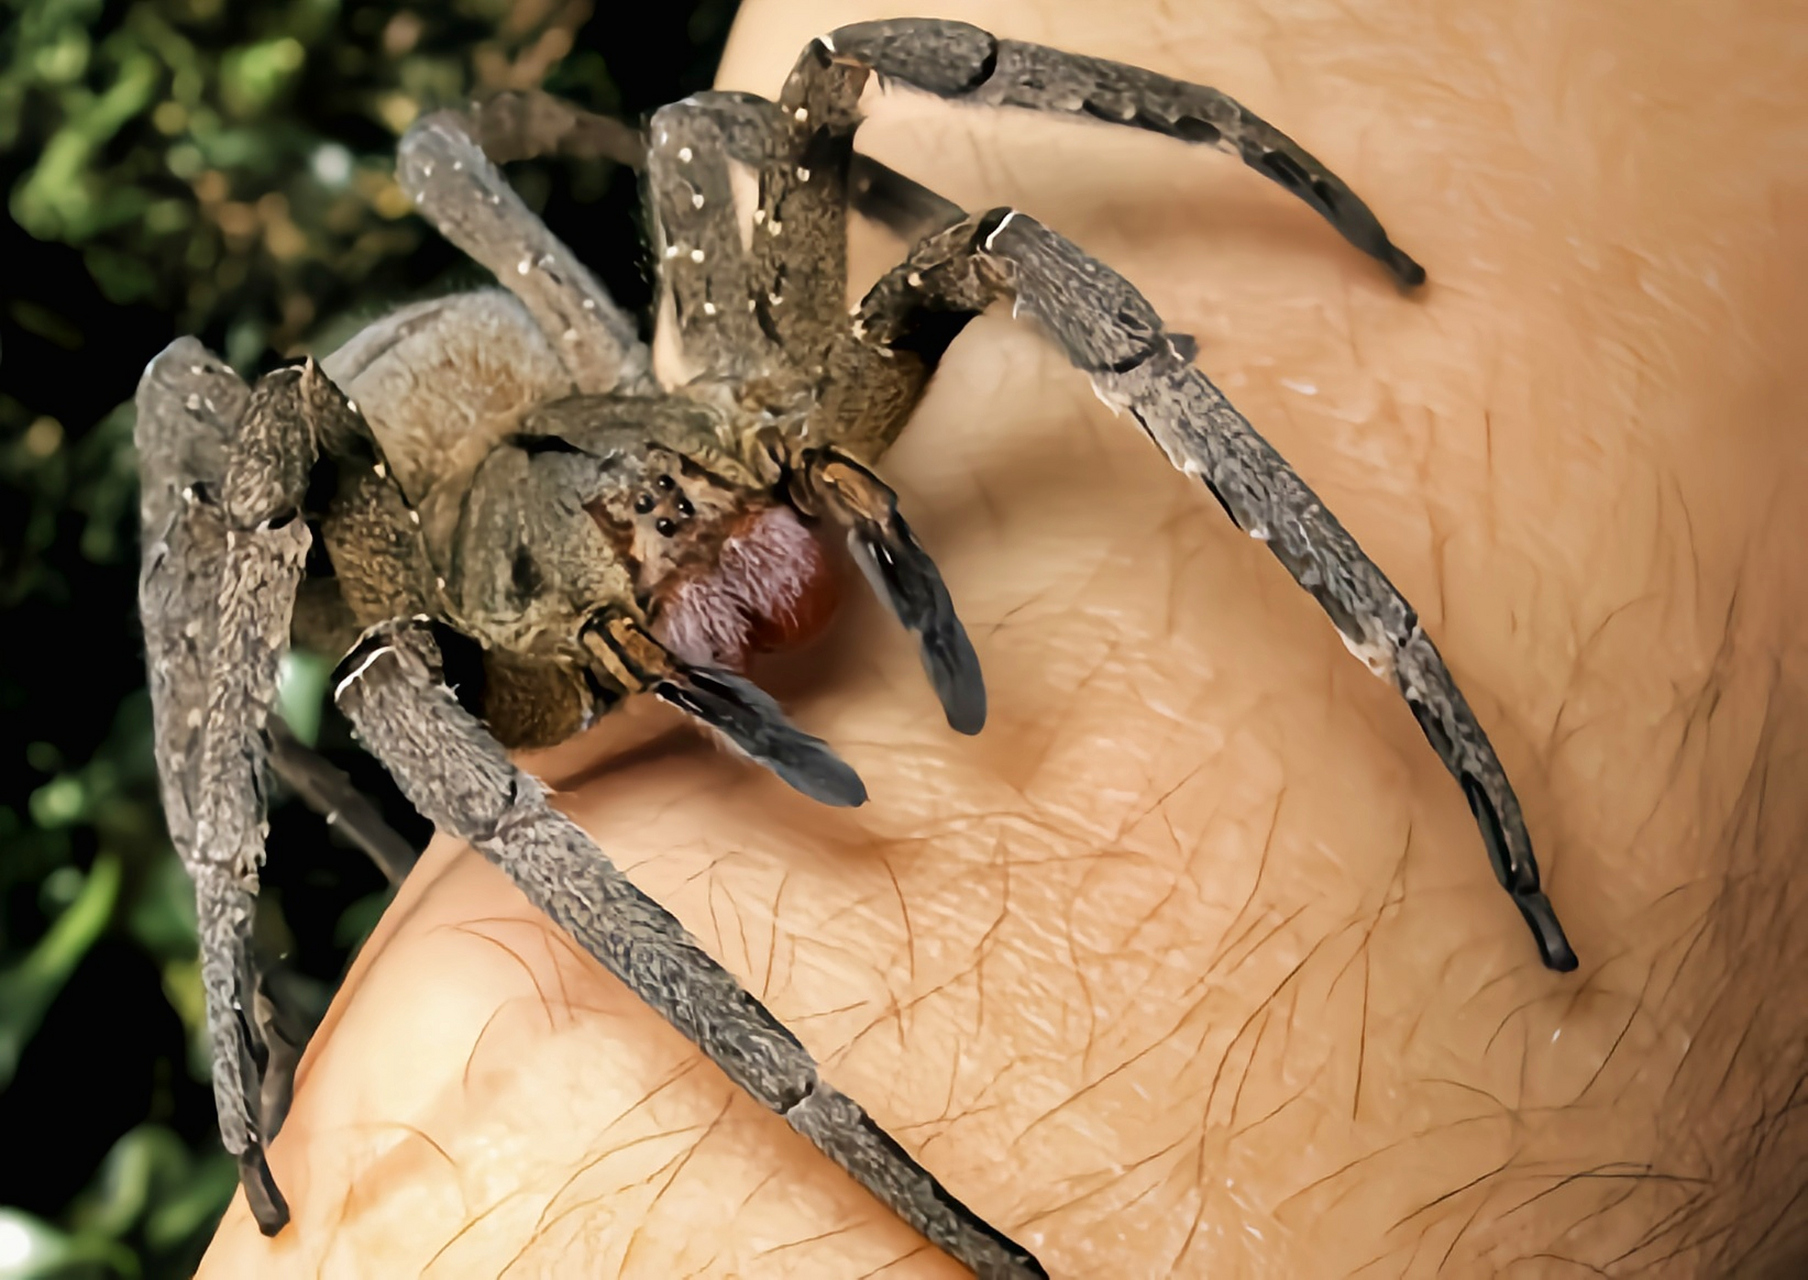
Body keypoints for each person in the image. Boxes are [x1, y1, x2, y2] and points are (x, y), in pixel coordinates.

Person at [198, 0, 1808, 1273]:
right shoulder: (443, 646)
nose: (692, 533)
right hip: (440, 515)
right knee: (250, 459)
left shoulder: (766, 377)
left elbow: (780, 124)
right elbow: (323, 615)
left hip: (593, 364)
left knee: (826, 126)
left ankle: (1441, 717)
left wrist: (1188, 146)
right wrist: (233, 950)